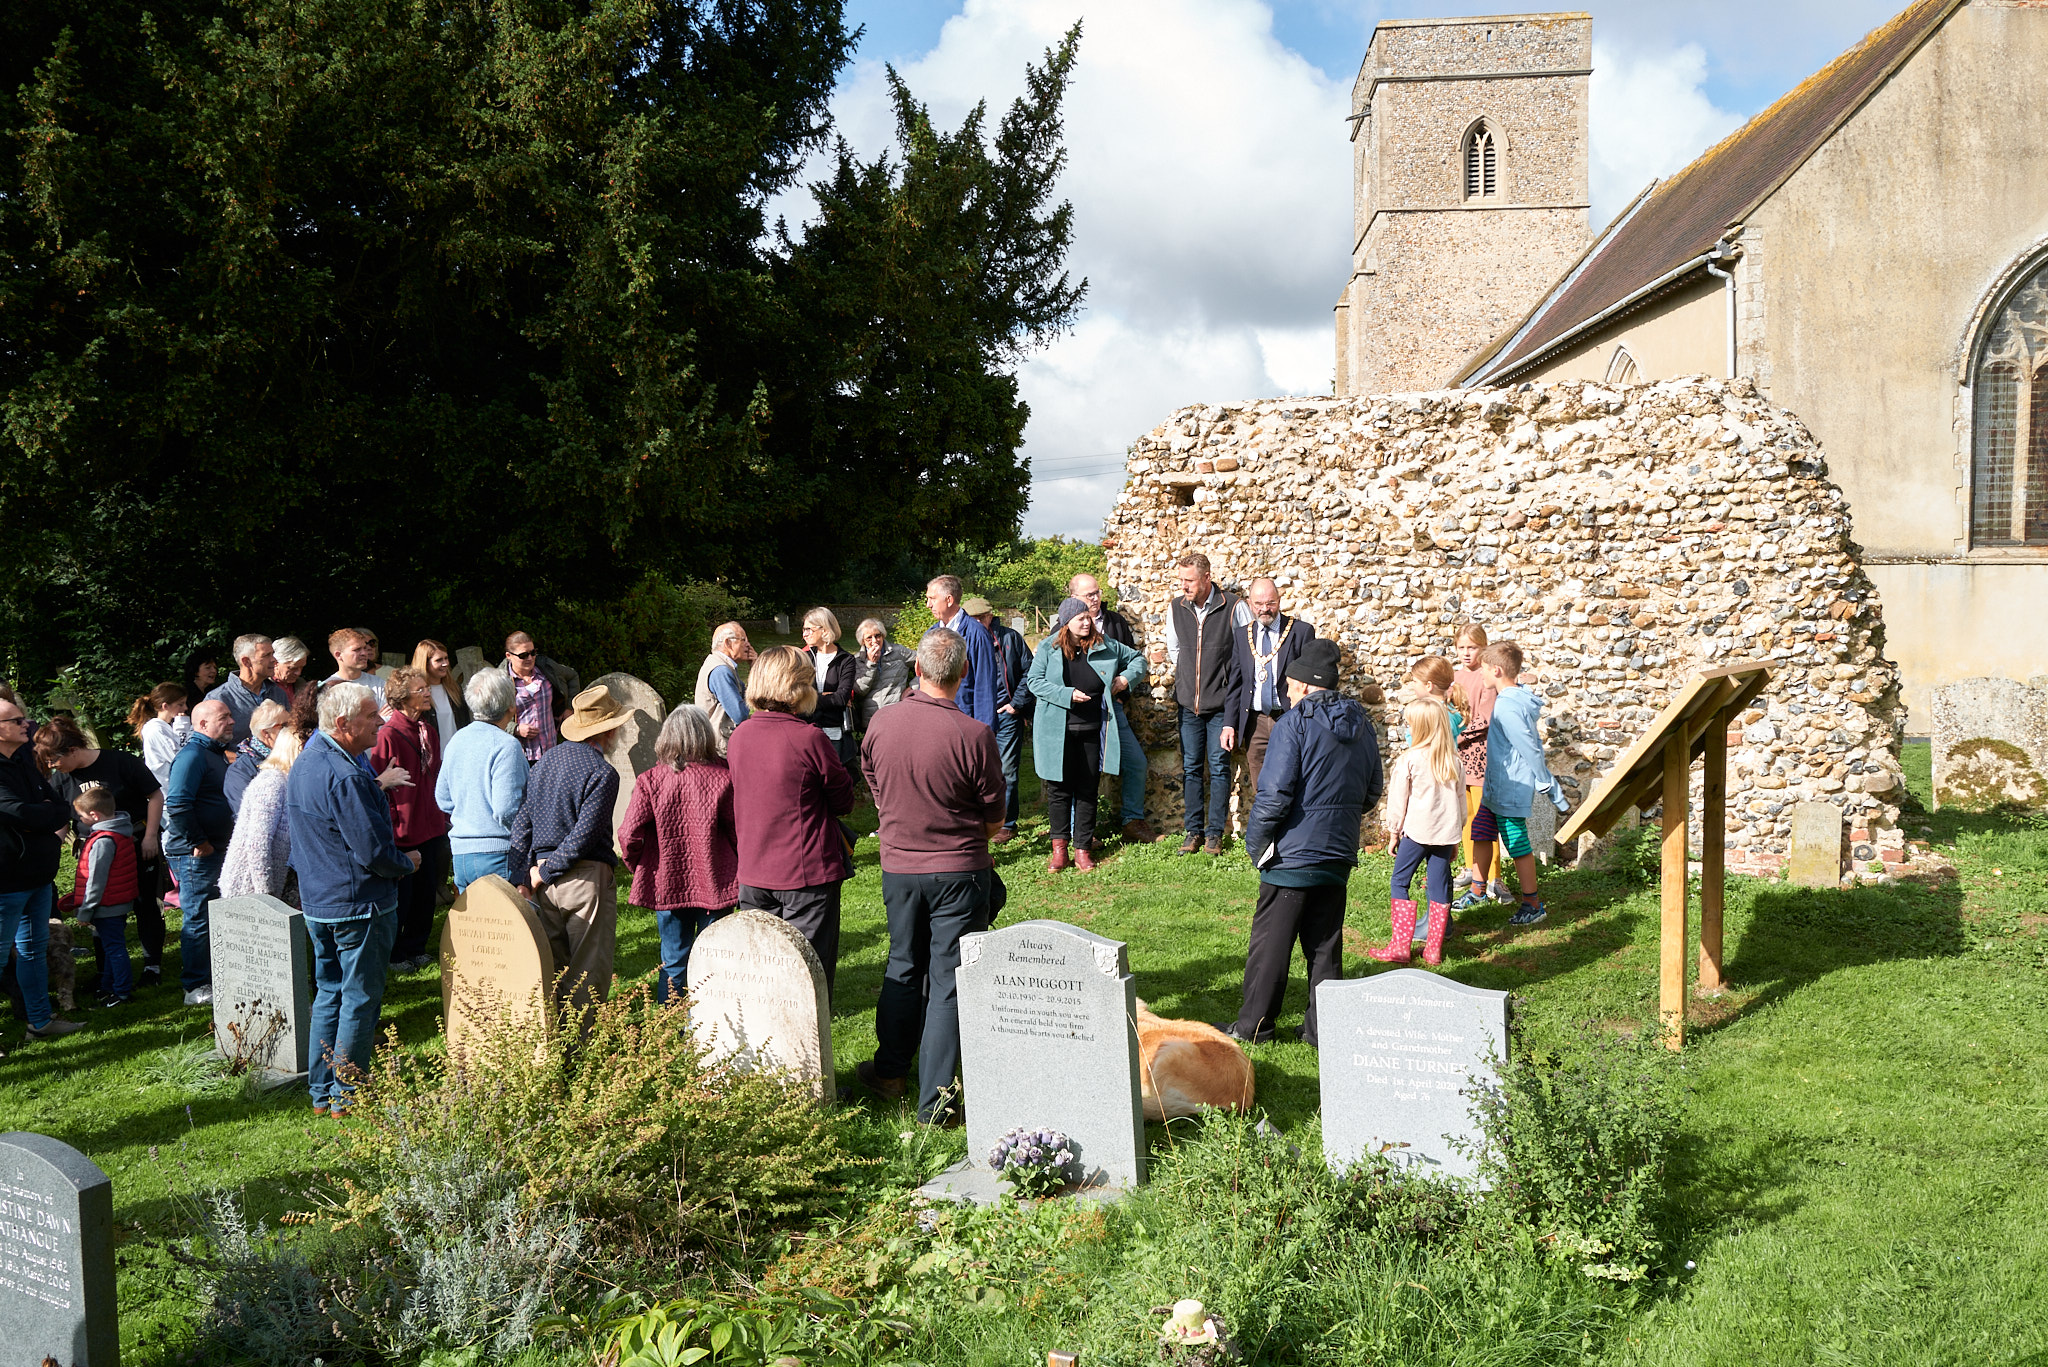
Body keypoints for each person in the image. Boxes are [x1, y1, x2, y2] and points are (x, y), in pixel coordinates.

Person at [857, 629, 1005, 1126]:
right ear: (963, 675)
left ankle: (891, 1072)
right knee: (947, 983)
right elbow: (993, 821)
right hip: (959, 870)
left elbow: (874, 782)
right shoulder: (975, 735)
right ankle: (937, 1106)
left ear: (917, 670)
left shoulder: (881, 723)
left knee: (902, 965)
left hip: (900, 866)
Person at [1221, 639, 1382, 1047]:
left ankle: (1254, 1027)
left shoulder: (1294, 724)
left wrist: (1256, 845)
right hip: (1338, 852)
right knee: (1325, 944)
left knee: (1271, 945)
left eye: (1290, 687)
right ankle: (1322, 1029)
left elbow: (1274, 796)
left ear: (1306, 685)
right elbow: (1371, 792)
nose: (1288, 695)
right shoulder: (1362, 723)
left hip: (1292, 855)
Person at [288, 681, 419, 1116]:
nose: (380, 722)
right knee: (359, 998)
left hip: (320, 903)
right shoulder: (344, 774)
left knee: (329, 994)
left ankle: (322, 1093)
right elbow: (374, 852)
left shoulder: (308, 759)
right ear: (343, 724)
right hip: (358, 905)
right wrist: (409, 863)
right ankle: (347, 1093)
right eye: (371, 716)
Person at [727, 647, 854, 994]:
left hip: (754, 870)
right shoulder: (809, 738)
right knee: (807, 974)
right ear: (801, 686)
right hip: (806, 874)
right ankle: (810, 1045)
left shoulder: (738, 737)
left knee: (764, 972)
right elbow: (843, 801)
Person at [508, 685, 628, 1012]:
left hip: (543, 881)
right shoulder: (603, 772)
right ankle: (583, 1055)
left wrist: (524, 874)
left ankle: (555, 1050)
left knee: (553, 969)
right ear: (609, 730)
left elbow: (523, 821)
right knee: (588, 971)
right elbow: (584, 835)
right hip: (584, 879)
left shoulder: (544, 761)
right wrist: (542, 872)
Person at [38, 715, 168, 989]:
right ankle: (105, 973)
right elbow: (62, 819)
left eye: (54, 759)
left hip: (136, 845)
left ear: (73, 750)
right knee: (100, 910)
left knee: (145, 905)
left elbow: (155, 796)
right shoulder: (62, 779)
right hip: (94, 854)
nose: (52, 766)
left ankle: (151, 965)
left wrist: (150, 836)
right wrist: (50, 846)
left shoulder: (120, 762)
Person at [619, 704, 737, 1003]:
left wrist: (641, 866)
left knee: (673, 960)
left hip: (667, 882)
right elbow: (739, 830)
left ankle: (671, 1028)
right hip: (716, 880)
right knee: (715, 958)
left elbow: (628, 833)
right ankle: (714, 1025)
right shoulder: (723, 775)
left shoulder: (651, 780)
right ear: (704, 737)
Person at [1025, 598, 1146, 872]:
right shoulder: (1048, 646)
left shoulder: (1106, 644)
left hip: (1093, 729)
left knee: (1087, 789)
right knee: (1058, 790)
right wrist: (1066, 695)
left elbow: (1138, 659)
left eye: (1088, 617)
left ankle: (1082, 850)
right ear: (1066, 622)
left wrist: (1125, 679)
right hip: (1057, 731)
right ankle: (1059, 850)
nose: (1086, 621)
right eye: (1080, 618)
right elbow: (1034, 682)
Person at [0, 695, 83, 1039]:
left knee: (33, 951)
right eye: (17, 721)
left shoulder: (23, 761)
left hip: (38, 876)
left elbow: (59, 806)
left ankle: (39, 1021)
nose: (26, 725)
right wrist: (43, 814)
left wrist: (44, 815)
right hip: (6, 881)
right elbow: (18, 811)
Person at [1369, 698, 1465, 967]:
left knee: (1400, 881)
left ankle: (1400, 946)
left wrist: (1393, 833)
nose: (1406, 728)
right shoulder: (1453, 761)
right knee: (1438, 887)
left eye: (1409, 724)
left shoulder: (1409, 760)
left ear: (1420, 727)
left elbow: (1399, 801)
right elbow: (1460, 804)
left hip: (1416, 834)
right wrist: (1455, 835)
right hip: (1444, 836)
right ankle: (1433, 950)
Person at [1478, 641, 1566, 927]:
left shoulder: (1507, 707)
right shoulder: (1512, 700)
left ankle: (1533, 904)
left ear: (1497, 670)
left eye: (1484, 670)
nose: (1481, 675)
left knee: (1516, 844)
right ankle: (1477, 890)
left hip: (1510, 786)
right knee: (1481, 829)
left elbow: (1529, 746)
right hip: (1497, 786)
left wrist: (1547, 783)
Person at [1068, 573, 1155, 844]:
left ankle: (1132, 821)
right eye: (1088, 595)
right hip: (1078, 714)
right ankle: (1079, 831)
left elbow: (1133, 659)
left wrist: (1123, 682)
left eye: (1097, 593)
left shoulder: (1115, 623)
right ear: (1074, 599)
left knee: (1136, 763)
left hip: (1111, 711)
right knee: (1080, 771)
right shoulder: (1062, 627)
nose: (1095, 599)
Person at [373, 667, 450, 973]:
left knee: (426, 892)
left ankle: (416, 946)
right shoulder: (388, 734)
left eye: (425, 688)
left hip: (430, 824)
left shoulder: (427, 730)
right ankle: (394, 953)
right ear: (403, 699)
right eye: (420, 690)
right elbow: (379, 785)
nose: (427, 692)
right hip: (403, 829)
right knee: (402, 898)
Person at [1163, 554, 1240, 855]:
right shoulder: (1176, 608)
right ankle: (1193, 831)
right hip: (1187, 706)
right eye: (1181, 580)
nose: (1184, 587)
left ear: (1207, 578)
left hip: (1220, 705)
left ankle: (1215, 834)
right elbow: (1174, 649)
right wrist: (1187, 679)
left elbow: (1243, 654)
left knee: (1220, 768)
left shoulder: (1234, 606)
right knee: (1191, 768)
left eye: (1190, 581)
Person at [164, 698, 237, 1006]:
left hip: (216, 849)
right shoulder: (192, 756)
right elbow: (178, 804)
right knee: (199, 917)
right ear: (203, 724)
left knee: (215, 915)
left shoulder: (214, 755)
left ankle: (217, 975)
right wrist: (199, 841)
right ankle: (195, 986)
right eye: (225, 717)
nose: (232, 721)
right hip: (196, 854)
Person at [1225, 578, 1317, 799]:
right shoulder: (1241, 635)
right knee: (1261, 788)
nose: (1264, 609)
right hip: (1254, 723)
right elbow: (1236, 683)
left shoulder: (1300, 632)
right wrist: (1229, 723)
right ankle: (1269, 833)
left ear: (1279, 600)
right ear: (1249, 603)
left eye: (1270, 603)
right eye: (1258, 603)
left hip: (1289, 719)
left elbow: (1310, 684)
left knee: (1295, 780)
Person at [437, 671, 529, 893]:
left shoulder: (456, 740)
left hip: (461, 854)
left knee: (472, 928)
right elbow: (506, 809)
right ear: (511, 706)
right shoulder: (506, 745)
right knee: (508, 925)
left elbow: (443, 799)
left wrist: (470, 817)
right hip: (499, 853)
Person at [56, 784, 139, 1006]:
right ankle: (109, 986)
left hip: (106, 905)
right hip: (117, 902)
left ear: (94, 815)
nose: (80, 820)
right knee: (111, 946)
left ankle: (121, 992)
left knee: (115, 949)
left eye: (81, 816)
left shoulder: (103, 842)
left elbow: (96, 881)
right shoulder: (120, 831)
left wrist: (85, 911)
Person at [967, 597, 1033, 843]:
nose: (974, 624)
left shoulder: (1010, 638)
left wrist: (1016, 705)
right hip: (975, 716)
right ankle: (979, 820)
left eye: (978, 619)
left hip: (1006, 715)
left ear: (988, 617)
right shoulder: (962, 641)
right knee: (976, 771)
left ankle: (1006, 824)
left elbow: (1030, 671)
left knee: (1007, 770)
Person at [1452, 624, 1505, 910]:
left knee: (1486, 817)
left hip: (1481, 753)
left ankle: (1493, 875)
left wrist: (1456, 736)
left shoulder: (1488, 677)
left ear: (1483, 648)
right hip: (1460, 755)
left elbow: (1484, 718)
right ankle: (1471, 868)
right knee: (1467, 814)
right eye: (1461, 647)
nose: (1466, 653)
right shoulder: (1455, 676)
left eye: (1471, 647)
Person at [221, 729, 304, 902]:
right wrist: (265, 893)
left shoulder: (292, 782)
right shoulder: (271, 782)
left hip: (280, 885)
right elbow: (257, 844)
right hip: (248, 888)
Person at [922, 575, 1002, 727]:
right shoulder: (930, 635)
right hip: (936, 722)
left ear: (949, 600)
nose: (928, 605)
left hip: (966, 722)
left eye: (932, 598)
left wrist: (984, 733)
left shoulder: (977, 634)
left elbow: (985, 686)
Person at [502, 631, 577, 764]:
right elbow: (490, 719)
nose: (530, 658)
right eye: (523, 655)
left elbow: (572, 676)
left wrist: (569, 707)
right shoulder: (500, 681)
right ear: (509, 656)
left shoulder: (547, 669)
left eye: (533, 652)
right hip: (521, 757)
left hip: (552, 751)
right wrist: (515, 729)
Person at [801, 608, 859, 768]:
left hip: (834, 733)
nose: (804, 634)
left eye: (808, 629)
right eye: (804, 629)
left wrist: (811, 697)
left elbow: (841, 698)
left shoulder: (846, 660)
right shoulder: (804, 658)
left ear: (824, 629)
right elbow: (795, 695)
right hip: (806, 731)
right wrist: (825, 696)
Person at [207, 634, 285, 746]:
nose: (274, 660)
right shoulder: (219, 698)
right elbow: (202, 743)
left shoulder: (278, 693)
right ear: (246, 662)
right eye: (266, 655)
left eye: (272, 654)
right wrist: (236, 760)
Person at [694, 621, 754, 753]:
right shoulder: (721, 671)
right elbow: (740, 714)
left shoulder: (721, 664)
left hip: (716, 743)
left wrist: (754, 667)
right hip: (720, 748)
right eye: (743, 640)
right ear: (728, 643)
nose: (748, 645)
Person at [225, 700, 289, 816]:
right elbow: (246, 815)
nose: (292, 730)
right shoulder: (240, 771)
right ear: (266, 733)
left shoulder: (294, 756)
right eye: (285, 726)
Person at [851, 618, 915, 731]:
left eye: (877, 635)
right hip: (873, 720)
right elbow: (860, 690)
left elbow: (926, 663)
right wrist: (871, 663)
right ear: (862, 641)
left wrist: (913, 687)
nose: (875, 640)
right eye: (869, 638)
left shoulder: (899, 652)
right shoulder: (857, 660)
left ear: (883, 635)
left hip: (897, 715)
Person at [411, 640, 470, 750]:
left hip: (458, 755)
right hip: (432, 759)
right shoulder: (415, 694)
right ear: (425, 663)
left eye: (446, 658)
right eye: (439, 660)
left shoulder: (455, 689)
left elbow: (465, 723)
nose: (445, 663)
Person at [130, 683, 187, 786]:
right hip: (170, 792)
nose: (185, 708)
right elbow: (180, 758)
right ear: (165, 706)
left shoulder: (168, 727)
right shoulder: (156, 729)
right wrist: (183, 727)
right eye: (181, 704)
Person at [325, 628, 387, 707]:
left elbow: (389, 717)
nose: (364, 653)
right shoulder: (328, 689)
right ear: (338, 655)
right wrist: (377, 717)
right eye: (357, 650)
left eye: (364, 648)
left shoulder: (379, 684)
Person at [181, 647, 222, 732]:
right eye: (208, 668)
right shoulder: (184, 694)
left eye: (215, 667)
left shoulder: (216, 693)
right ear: (196, 671)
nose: (214, 671)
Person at [271, 637, 311, 707]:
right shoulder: (263, 687)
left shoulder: (301, 684)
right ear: (276, 663)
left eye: (302, 667)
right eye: (293, 668)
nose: (298, 673)